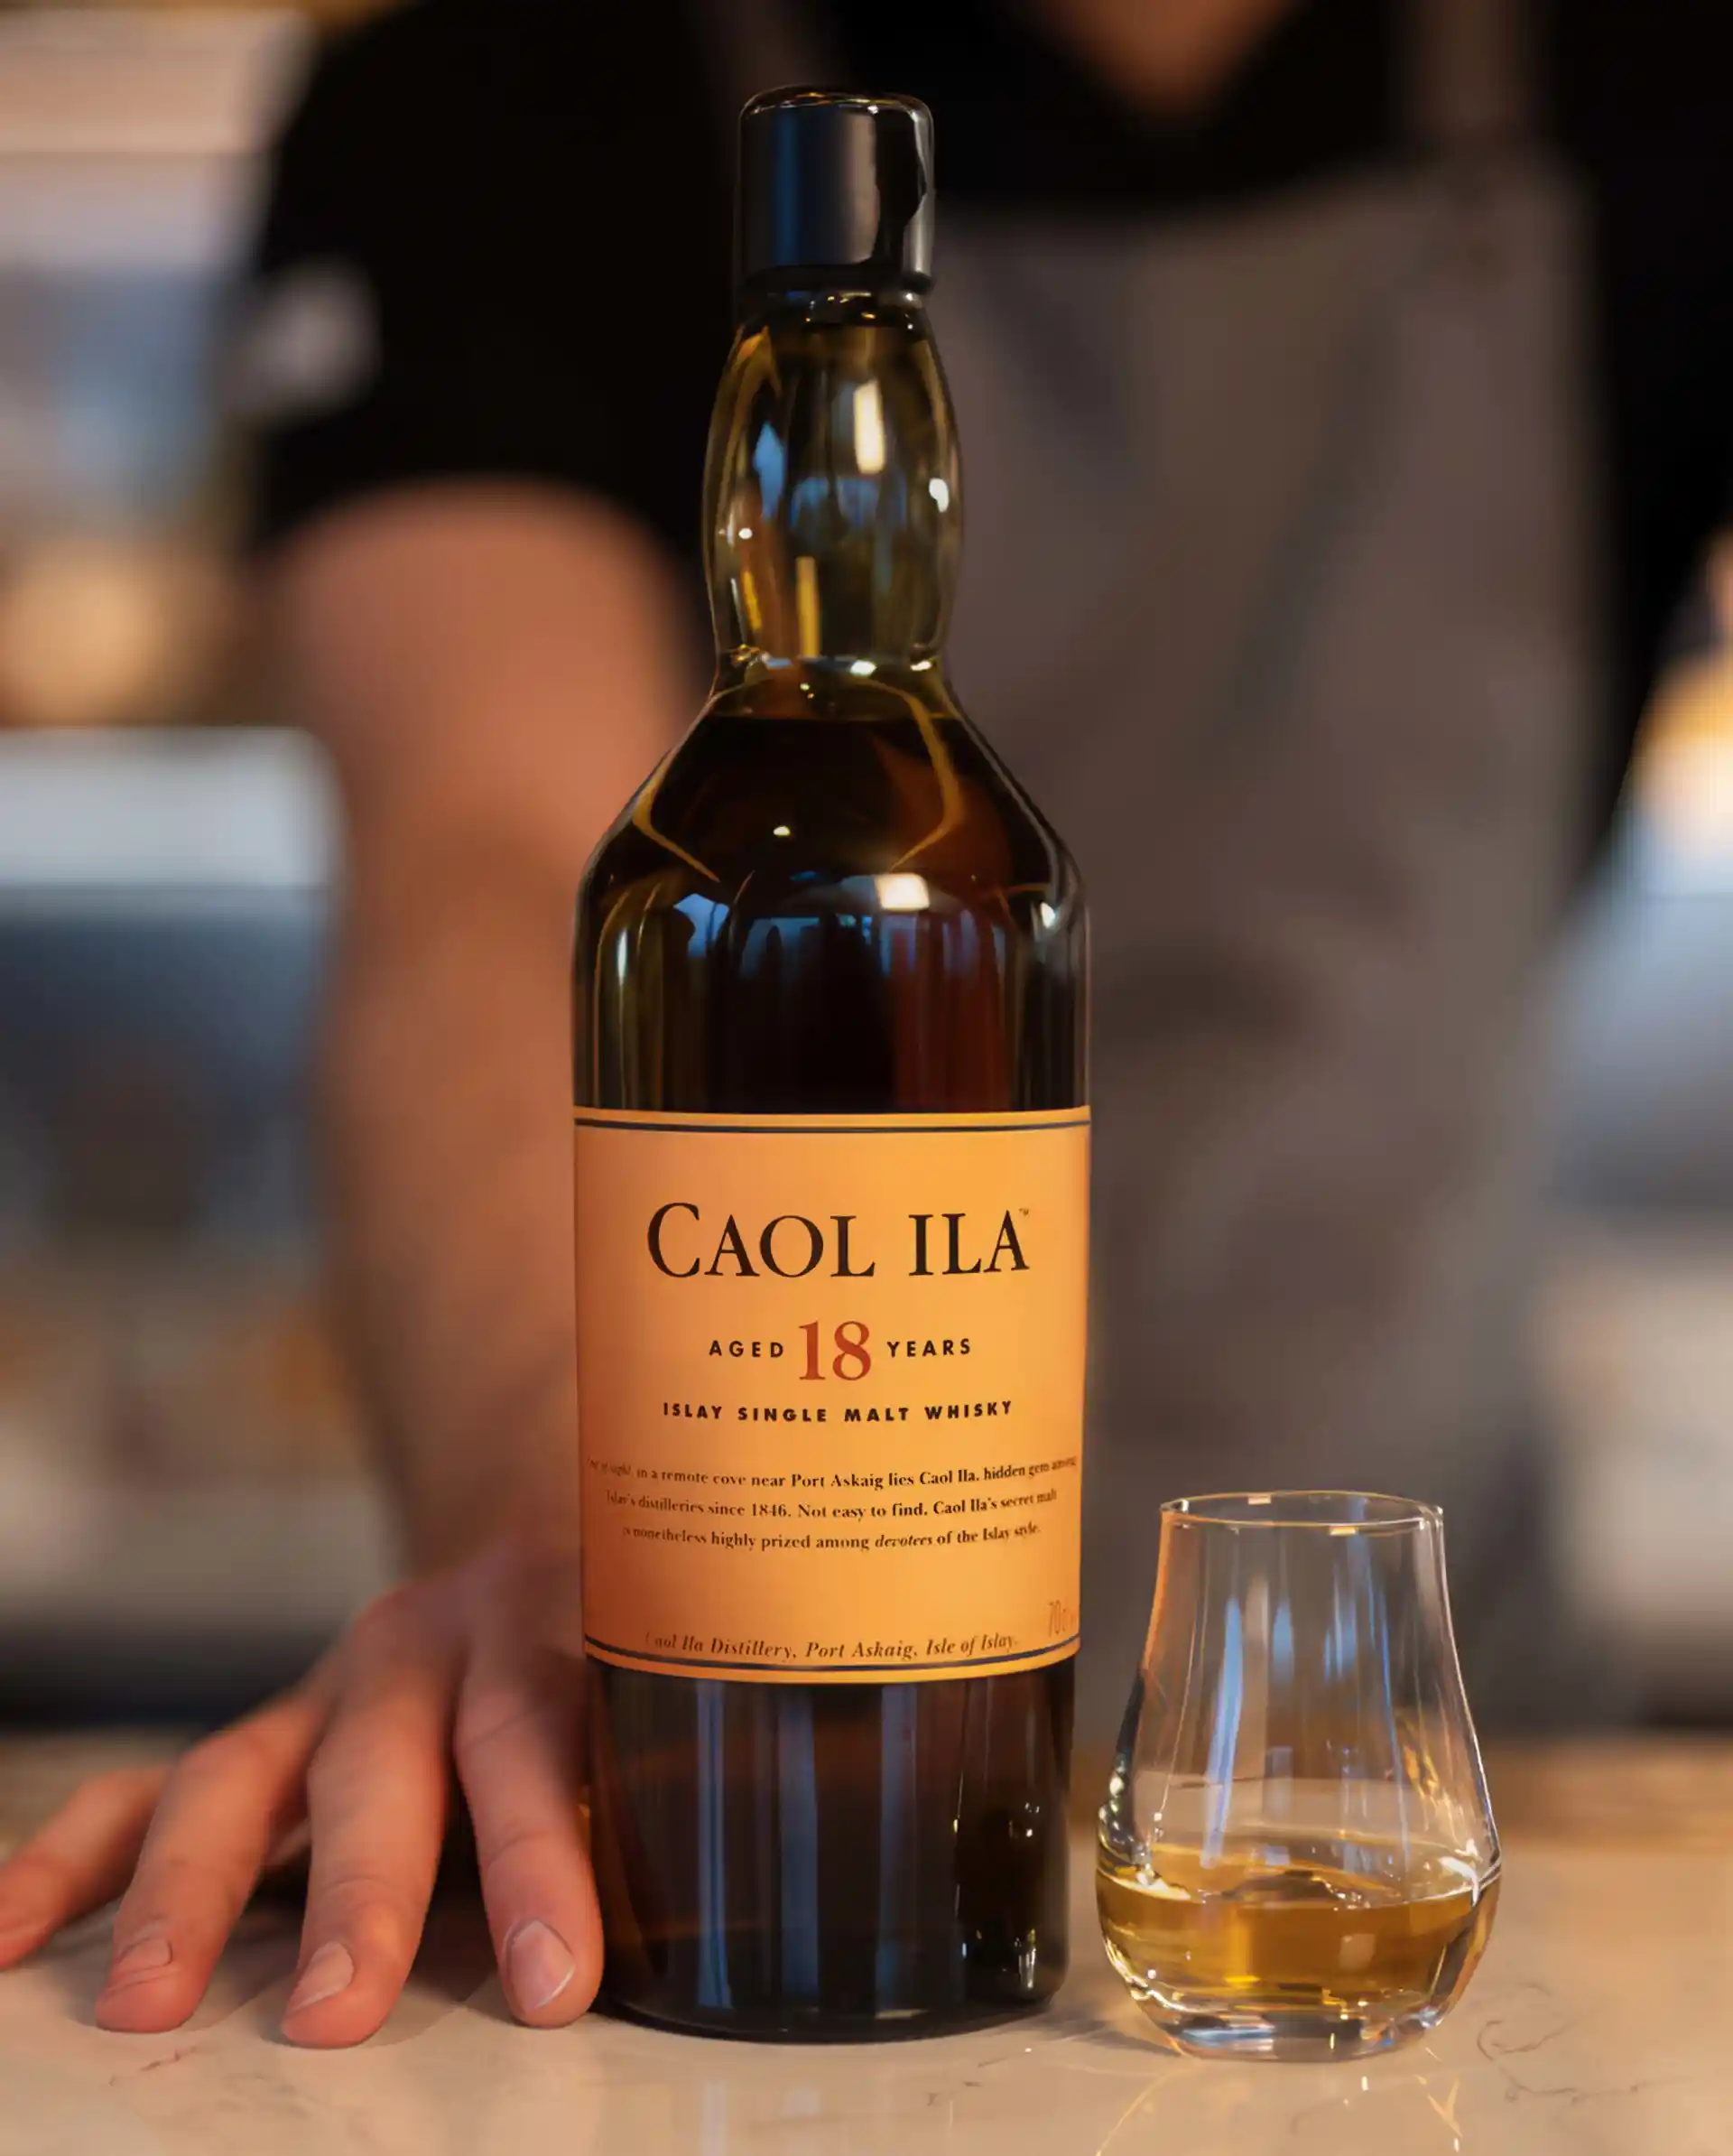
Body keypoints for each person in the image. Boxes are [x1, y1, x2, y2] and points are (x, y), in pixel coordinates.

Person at [2, 0, 1730, 2049]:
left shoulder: (1658, 88)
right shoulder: (499, 90)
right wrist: (568, 1542)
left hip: (1393, 1795)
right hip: (734, 1770)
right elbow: (489, 871)